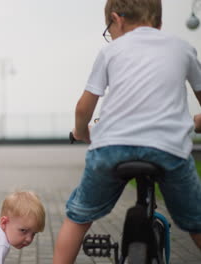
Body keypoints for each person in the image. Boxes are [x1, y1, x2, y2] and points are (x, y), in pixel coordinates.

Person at [52, 0, 201, 263]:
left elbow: (82, 110)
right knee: (196, 221)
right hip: (168, 148)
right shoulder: (183, 49)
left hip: (111, 148)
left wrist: (82, 133)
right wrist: (194, 123)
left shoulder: (111, 52)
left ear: (116, 19)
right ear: (159, 24)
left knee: (78, 216)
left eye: (109, 30)